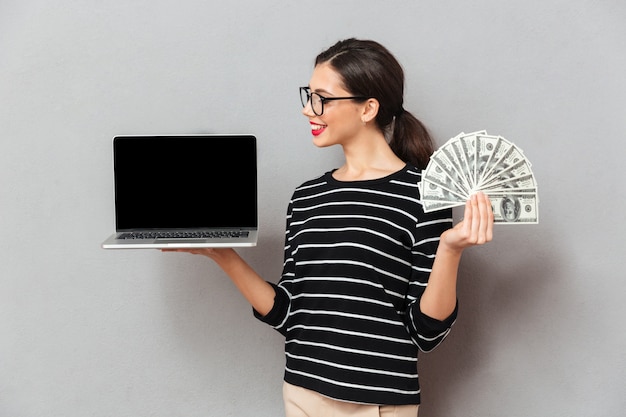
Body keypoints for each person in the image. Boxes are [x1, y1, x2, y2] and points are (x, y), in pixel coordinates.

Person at [164, 38, 494, 417]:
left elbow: (426, 331)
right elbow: (289, 314)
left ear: (368, 108)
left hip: (379, 404)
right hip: (302, 394)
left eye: (322, 97)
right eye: (308, 95)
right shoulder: (306, 198)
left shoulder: (424, 195)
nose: (308, 110)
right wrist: (222, 254)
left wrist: (450, 250)